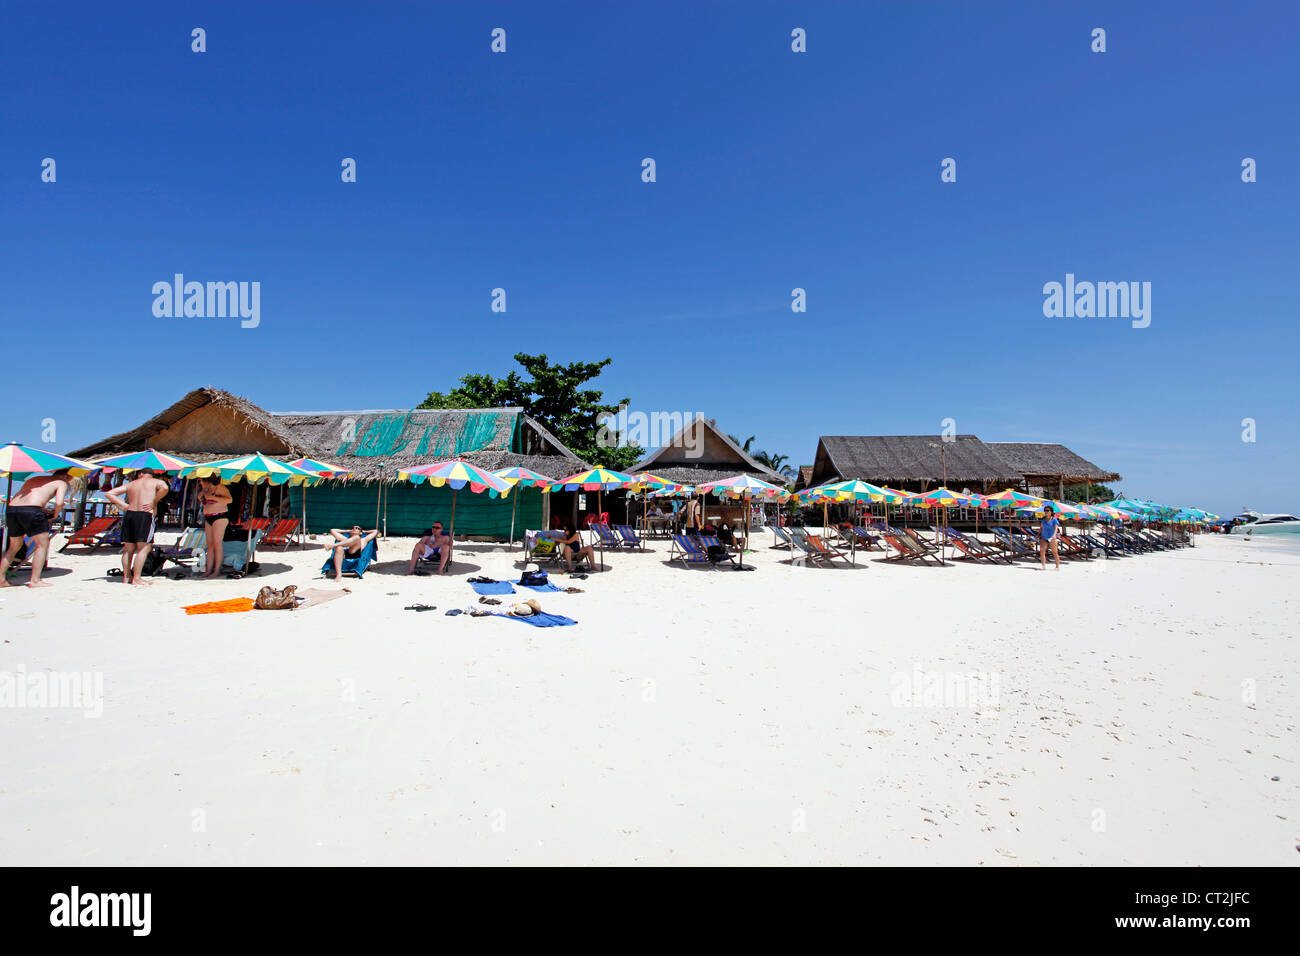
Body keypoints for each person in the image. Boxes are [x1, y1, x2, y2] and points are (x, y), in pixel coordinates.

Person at [0, 468, 71, 588]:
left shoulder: (33, 479)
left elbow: (26, 499)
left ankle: (1, 579)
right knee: (42, 545)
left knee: (14, 546)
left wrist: (42, 509)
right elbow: (59, 503)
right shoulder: (61, 483)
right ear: (65, 476)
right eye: (70, 479)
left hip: (12, 509)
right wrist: (54, 514)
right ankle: (35, 580)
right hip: (32, 510)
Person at [103, 470, 171, 585]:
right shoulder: (155, 482)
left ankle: (126, 577)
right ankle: (137, 578)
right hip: (145, 514)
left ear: (140, 474)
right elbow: (165, 488)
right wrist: (154, 501)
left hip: (130, 514)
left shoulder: (131, 484)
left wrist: (124, 505)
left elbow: (109, 493)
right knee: (144, 548)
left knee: (128, 549)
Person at [197, 478, 233, 578]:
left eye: (201, 480)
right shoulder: (205, 490)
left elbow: (229, 500)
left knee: (217, 543)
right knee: (210, 545)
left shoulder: (219, 488)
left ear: (207, 480)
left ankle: (217, 570)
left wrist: (213, 497)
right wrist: (203, 495)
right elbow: (202, 499)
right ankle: (208, 570)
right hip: (208, 517)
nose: (200, 482)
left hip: (220, 516)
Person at [1039, 505, 1061, 570]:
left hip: (1052, 538)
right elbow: (1041, 527)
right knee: (1042, 551)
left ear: (1051, 512)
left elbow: (1056, 529)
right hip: (1044, 537)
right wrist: (1038, 534)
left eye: (1047, 510)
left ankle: (1057, 566)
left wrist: (1054, 536)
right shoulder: (1043, 519)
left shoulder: (1054, 520)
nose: (1046, 512)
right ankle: (1043, 566)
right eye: (1045, 510)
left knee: (1054, 552)